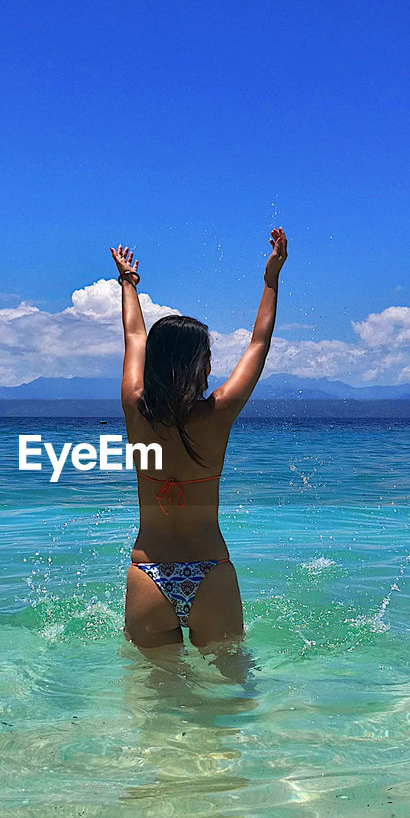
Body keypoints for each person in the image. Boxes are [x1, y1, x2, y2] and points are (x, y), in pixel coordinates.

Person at [112, 228, 287, 649]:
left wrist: (128, 284)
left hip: (148, 573)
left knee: (152, 704)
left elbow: (136, 337)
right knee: (228, 700)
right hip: (210, 573)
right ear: (197, 368)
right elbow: (259, 343)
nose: (211, 368)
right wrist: (270, 280)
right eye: (207, 359)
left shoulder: (135, 408)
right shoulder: (218, 412)